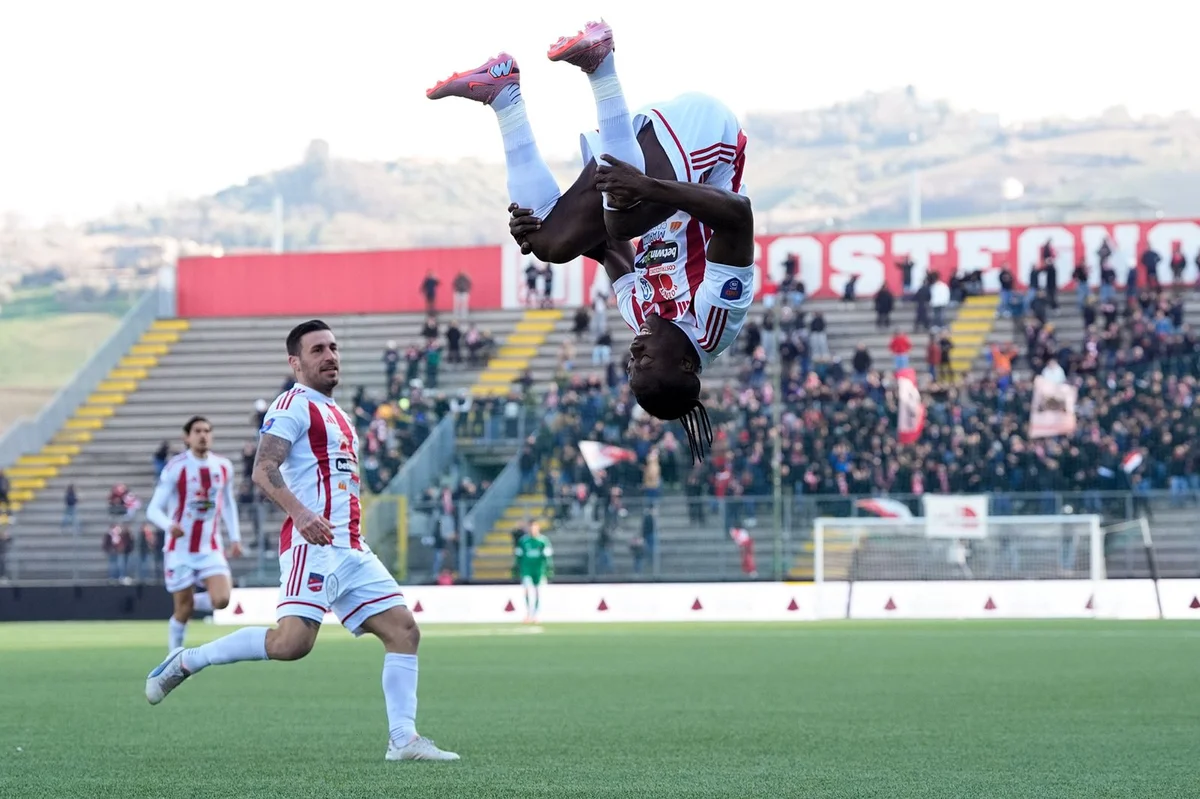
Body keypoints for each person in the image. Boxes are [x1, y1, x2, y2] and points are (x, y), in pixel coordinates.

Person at [428, 21, 752, 460]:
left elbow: (604, 248)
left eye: (631, 363)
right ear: (685, 363)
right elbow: (738, 217)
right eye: (645, 361)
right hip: (709, 140)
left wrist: (535, 231)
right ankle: (601, 65)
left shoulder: (640, 317)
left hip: (646, 171)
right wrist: (648, 188)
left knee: (550, 244)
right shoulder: (715, 320)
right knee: (624, 220)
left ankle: (503, 94)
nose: (634, 350)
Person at [144, 320, 458, 763]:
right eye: (317, 350)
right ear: (295, 362)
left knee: (404, 631)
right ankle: (188, 660)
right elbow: (263, 470)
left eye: (333, 347)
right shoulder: (292, 406)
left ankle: (403, 739)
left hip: (351, 547)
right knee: (291, 645)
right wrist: (301, 513)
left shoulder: (339, 413)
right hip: (313, 547)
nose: (330, 356)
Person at [145, 416, 242, 654]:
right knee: (183, 612)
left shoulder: (223, 466)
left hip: (210, 547)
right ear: (186, 437)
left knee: (222, 600)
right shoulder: (176, 467)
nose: (203, 435)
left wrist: (235, 537)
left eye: (207, 431)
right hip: (180, 550)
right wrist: (169, 525)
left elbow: (228, 504)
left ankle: (188, 601)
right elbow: (153, 509)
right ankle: (174, 656)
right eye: (197, 431)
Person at [513, 521, 553, 624]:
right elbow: (518, 556)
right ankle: (528, 613)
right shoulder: (523, 541)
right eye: (531, 528)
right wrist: (516, 568)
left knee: (538, 592)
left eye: (534, 528)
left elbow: (548, 557)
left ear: (538, 528)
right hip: (527, 570)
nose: (532, 530)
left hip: (539, 570)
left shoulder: (543, 541)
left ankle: (536, 615)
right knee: (527, 590)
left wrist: (549, 569)